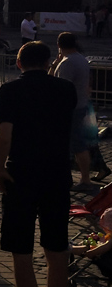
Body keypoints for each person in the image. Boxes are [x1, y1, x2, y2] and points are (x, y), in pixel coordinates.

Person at [0, 41, 77, 287]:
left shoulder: (10, 91)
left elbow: (5, 134)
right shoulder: (66, 90)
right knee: (57, 251)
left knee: (22, 252)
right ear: (49, 62)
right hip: (57, 175)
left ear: (18, 64)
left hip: (22, 174)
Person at [48, 32, 96, 189]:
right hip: (79, 104)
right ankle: (81, 177)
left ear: (58, 45)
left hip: (70, 108)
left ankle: (85, 179)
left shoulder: (68, 63)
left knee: (76, 143)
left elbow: (58, 86)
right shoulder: (81, 59)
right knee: (74, 142)